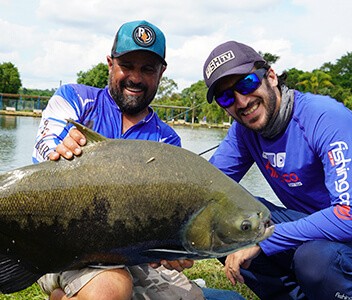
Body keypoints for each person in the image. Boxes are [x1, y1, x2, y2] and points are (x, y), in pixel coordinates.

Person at [32, 21, 244, 300]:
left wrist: (171, 249)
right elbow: (42, 151)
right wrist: (59, 150)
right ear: (110, 63)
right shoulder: (74, 99)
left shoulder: (166, 140)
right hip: (62, 243)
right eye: (127, 65)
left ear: (161, 72)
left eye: (147, 69)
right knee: (112, 288)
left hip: (132, 256)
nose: (135, 77)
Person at [203, 40, 352, 299]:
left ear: (271, 76)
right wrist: (163, 246)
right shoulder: (244, 132)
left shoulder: (325, 118)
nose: (241, 101)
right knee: (222, 217)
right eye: (227, 97)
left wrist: (266, 238)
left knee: (314, 259)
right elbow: (205, 190)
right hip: (308, 229)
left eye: (246, 84)